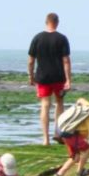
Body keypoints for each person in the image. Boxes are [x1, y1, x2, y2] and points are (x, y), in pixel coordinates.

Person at [27, 13, 72, 146]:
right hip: (58, 76)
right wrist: (68, 79)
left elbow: (31, 60)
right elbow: (66, 61)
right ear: (57, 22)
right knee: (59, 104)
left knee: (45, 105)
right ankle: (58, 133)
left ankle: (45, 139)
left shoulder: (37, 38)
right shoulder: (62, 38)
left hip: (43, 76)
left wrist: (31, 76)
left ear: (46, 22)